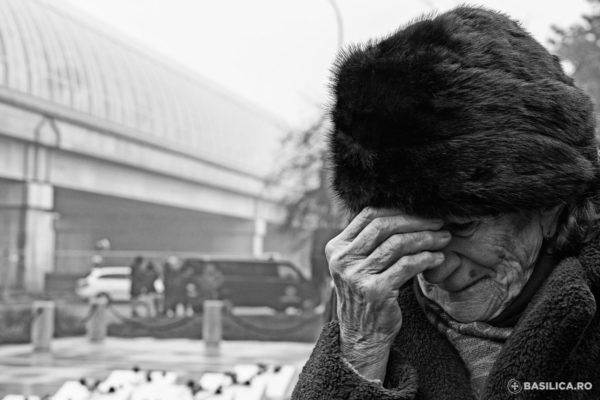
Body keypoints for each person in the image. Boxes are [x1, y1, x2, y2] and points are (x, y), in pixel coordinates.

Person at [292, 6, 600, 400]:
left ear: (549, 205)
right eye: (405, 230)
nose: (434, 267)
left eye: (461, 226)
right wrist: (360, 350)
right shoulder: (363, 299)